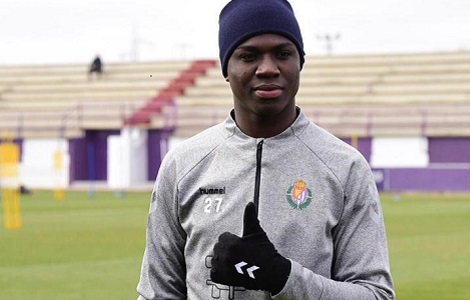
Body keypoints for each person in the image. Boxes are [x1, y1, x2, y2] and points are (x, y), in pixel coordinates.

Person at [136, 0, 395, 299]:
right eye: (248, 56)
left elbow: (376, 294)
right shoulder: (183, 165)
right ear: (226, 68)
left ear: (300, 62)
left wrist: (283, 277)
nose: (269, 68)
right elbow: (157, 293)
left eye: (283, 53)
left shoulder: (344, 166)